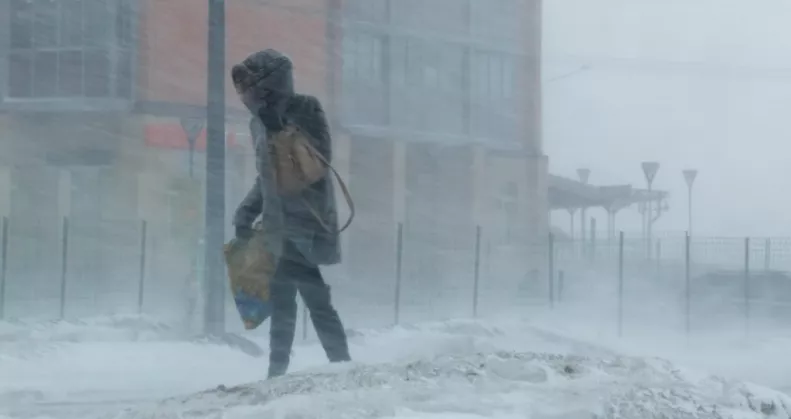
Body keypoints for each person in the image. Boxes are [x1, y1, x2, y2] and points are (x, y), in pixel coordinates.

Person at [231, 49, 351, 378]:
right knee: (286, 296)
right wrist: (246, 212)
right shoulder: (256, 123)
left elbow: (317, 161)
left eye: (251, 86)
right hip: (277, 225)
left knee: (311, 295)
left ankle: (336, 365)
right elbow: (266, 176)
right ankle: (284, 369)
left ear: (270, 84)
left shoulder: (306, 108)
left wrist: (282, 128)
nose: (246, 94)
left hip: (306, 222)